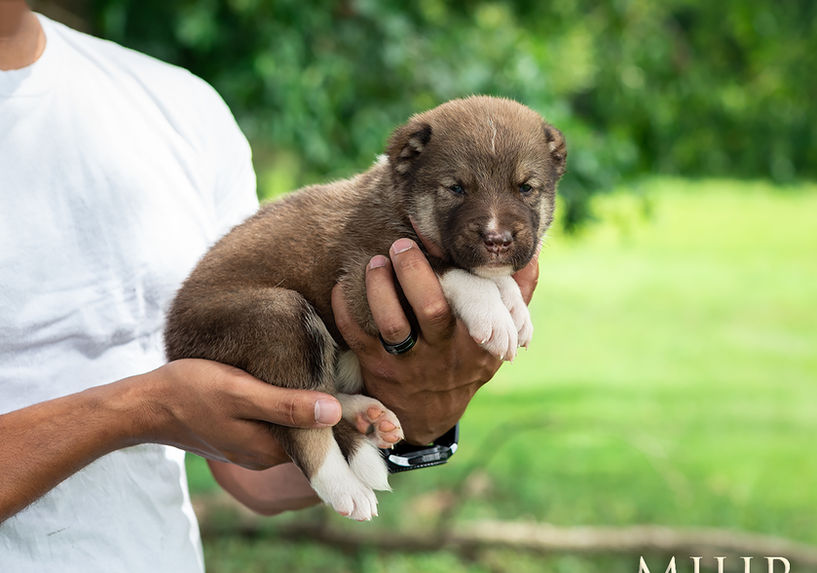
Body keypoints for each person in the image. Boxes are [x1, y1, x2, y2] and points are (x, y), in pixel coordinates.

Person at [0, 3, 538, 571]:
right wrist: (141, 409)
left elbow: (249, 469)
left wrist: (416, 419)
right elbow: (179, 400)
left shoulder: (178, 107)